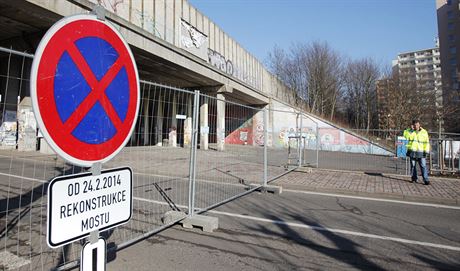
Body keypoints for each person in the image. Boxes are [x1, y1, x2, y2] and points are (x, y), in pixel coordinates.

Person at [403, 120, 430, 185]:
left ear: (419, 125)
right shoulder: (409, 131)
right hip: (413, 151)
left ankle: (426, 179)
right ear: (413, 125)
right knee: (413, 166)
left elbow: (426, 142)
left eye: (417, 125)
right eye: (414, 125)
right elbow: (405, 136)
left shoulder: (424, 132)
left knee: (423, 166)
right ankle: (414, 178)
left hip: (421, 151)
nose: (416, 126)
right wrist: (410, 130)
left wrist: (426, 151)